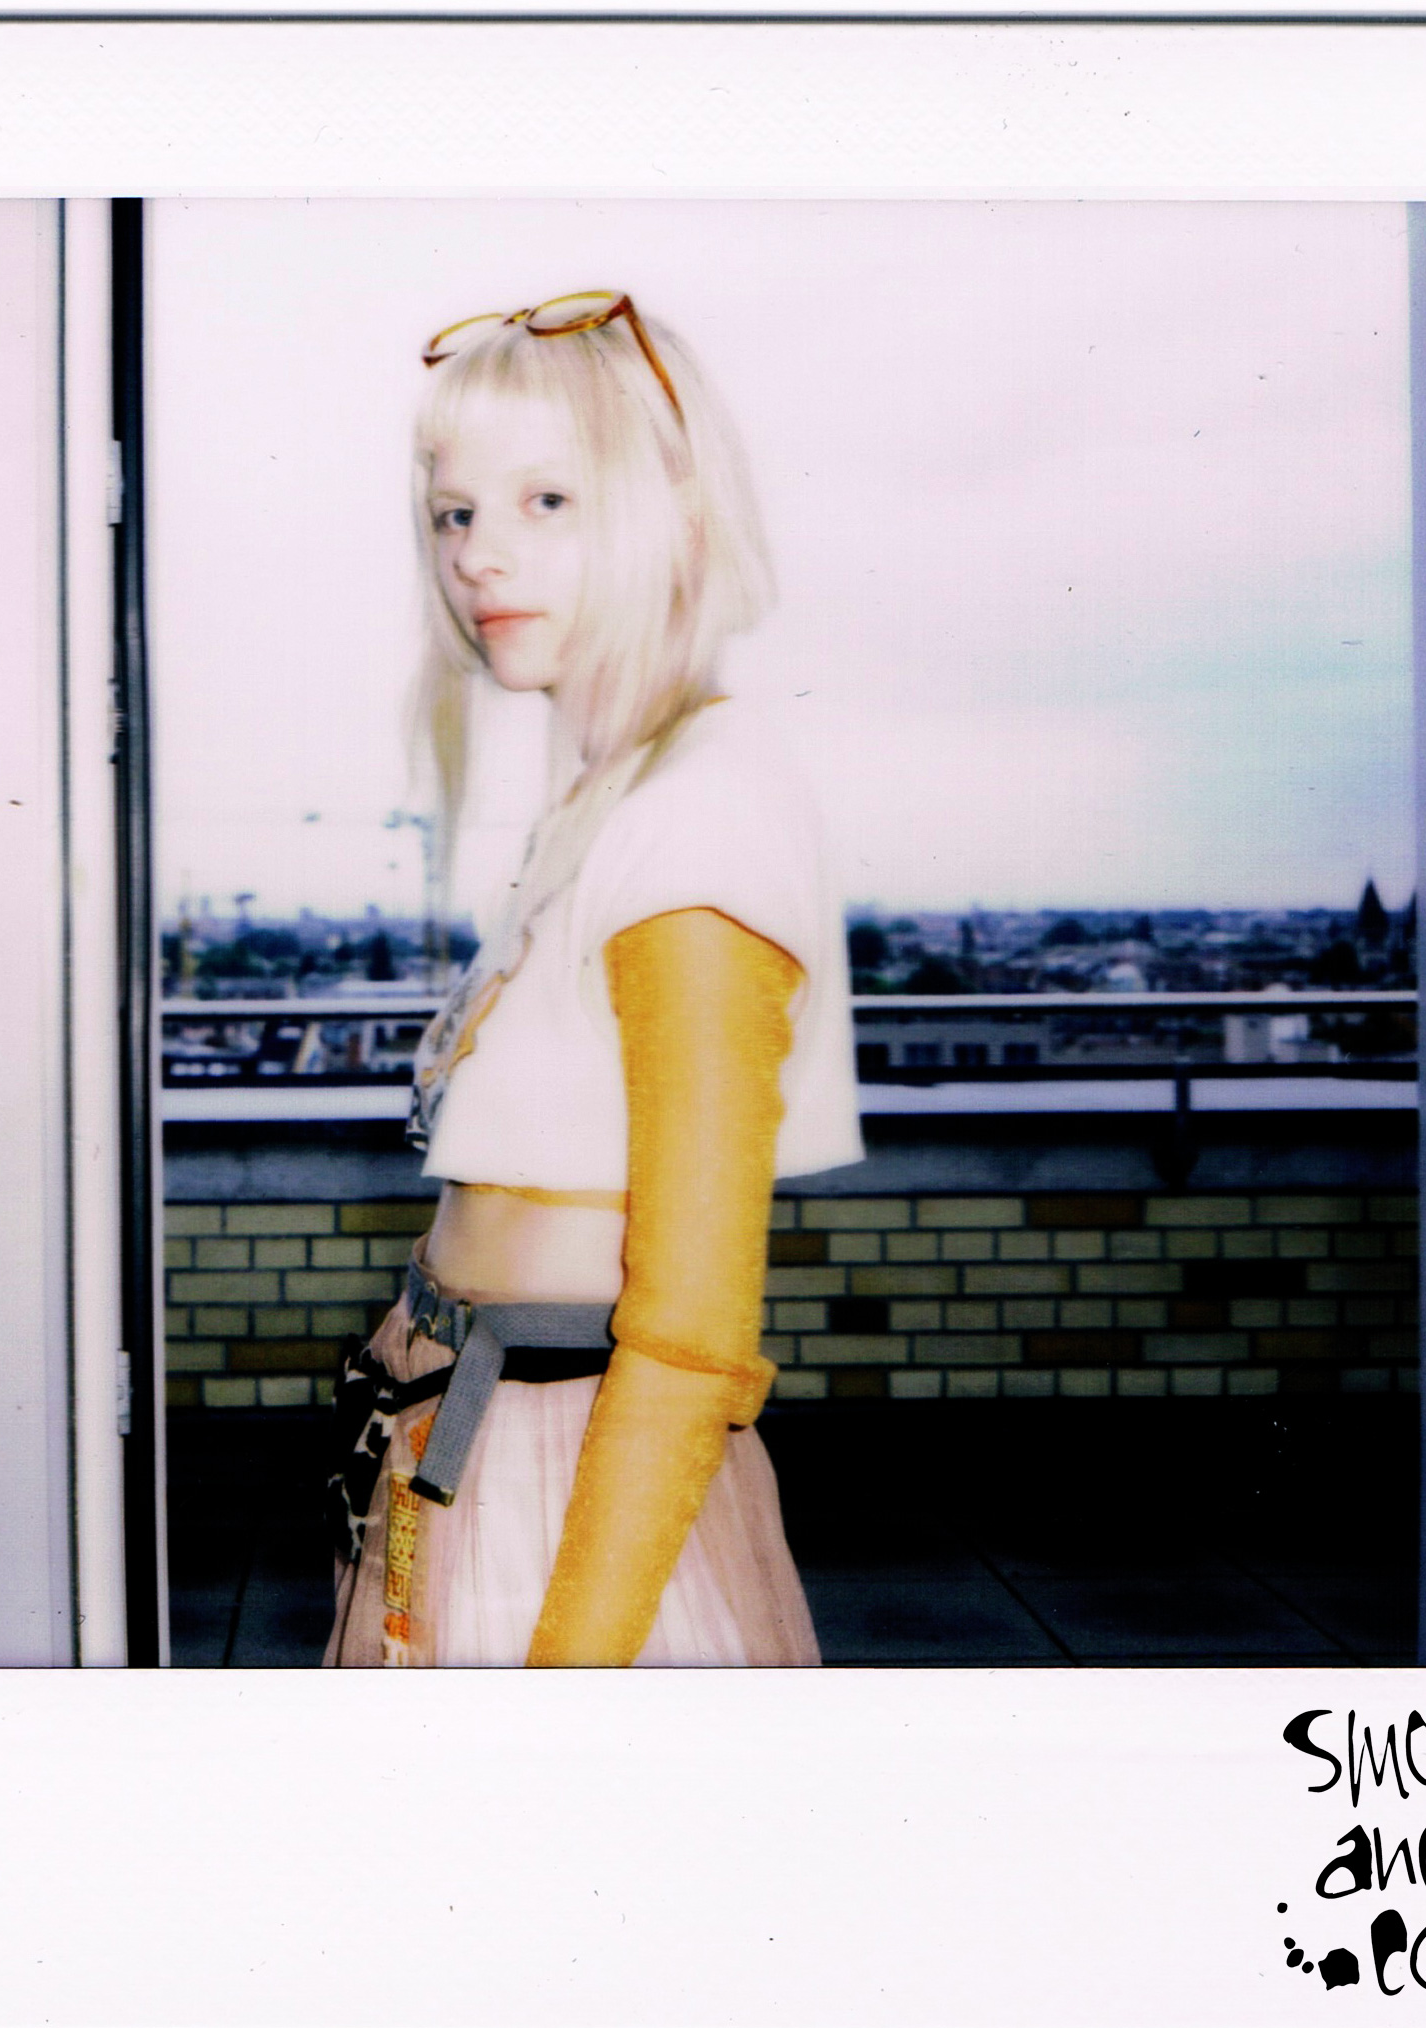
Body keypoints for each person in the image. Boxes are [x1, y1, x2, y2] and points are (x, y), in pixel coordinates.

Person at [323, 291, 861, 1668]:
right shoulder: (619, 798)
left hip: (562, 1488)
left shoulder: (698, 816)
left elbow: (689, 1338)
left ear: (674, 509)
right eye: (454, 513)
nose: (477, 554)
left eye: (546, 500)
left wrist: (573, 1683)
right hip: (479, 1437)